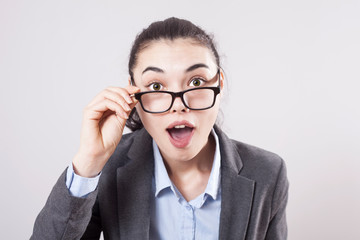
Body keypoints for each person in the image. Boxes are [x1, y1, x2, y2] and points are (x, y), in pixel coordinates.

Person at [31, 17, 289, 240]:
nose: (179, 105)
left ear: (220, 83)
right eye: (156, 86)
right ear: (133, 92)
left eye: (196, 81)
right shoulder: (108, 168)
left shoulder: (268, 173)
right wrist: (89, 163)